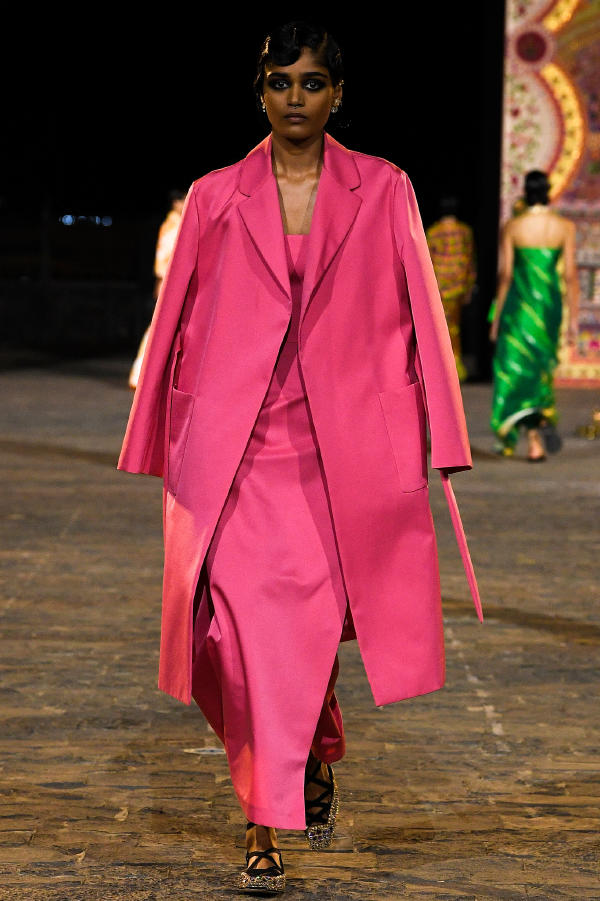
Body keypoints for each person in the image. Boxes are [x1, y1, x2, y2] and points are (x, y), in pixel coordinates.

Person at [118, 21, 481, 894]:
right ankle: (279, 792)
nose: (295, 98)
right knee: (234, 636)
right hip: (237, 449)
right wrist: (151, 434)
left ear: (337, 94)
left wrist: (444, 434)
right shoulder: (215, 194)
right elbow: (174, 315)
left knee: (300, 633)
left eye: (312, 82)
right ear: (260, 92)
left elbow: (422, 308)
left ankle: (274, 806)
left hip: (342, 449)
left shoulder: (384, 187)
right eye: (280, 82)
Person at [490, 170, 579, 461]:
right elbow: (570, 276)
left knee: (515, 369)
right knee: (541, 370)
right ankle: (537, 431)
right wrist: (573, 320)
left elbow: (505, 275)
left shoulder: (513, 227)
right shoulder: (564, 227)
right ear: (548, 192)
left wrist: (496, 318)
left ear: (526, 193)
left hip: (519, 307)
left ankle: (531, 438)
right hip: (548, 308)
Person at [128, 189, 186, 389]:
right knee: (159, 327)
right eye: (183, 200)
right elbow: (164, 259)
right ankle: (143, 373)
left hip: (169, 281)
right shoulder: (173, 225)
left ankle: (148, 374)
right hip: (170, 282)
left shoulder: (176, 223)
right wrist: (162, 281)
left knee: (161, 327)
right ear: (176, 203)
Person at [426, 196, 476, 381]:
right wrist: (469, 286)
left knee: (438, 327)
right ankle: (454, 366)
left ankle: (441, 367)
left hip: (438, 285)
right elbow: (470, 260)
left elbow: (427, 261)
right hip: (458, 286)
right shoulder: (464, 231)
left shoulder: (433, 232)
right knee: (454, 326)